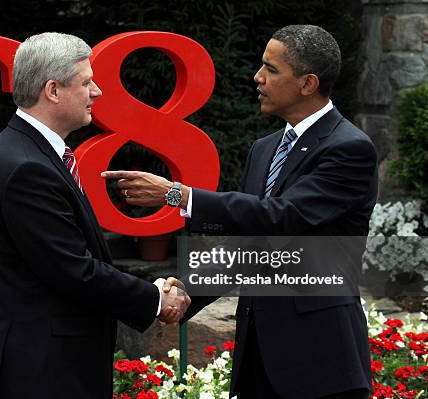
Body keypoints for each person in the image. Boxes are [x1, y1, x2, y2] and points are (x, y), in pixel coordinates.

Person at [102, 25, 377, 399]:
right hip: (259, 360)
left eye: (271, 69)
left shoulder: (349, 148)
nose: (257, 77)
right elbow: (252, 244)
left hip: (321, 362)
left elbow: (281, 217)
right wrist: (184, 291)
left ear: (308, 83)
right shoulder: (264, 149)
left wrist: (177, 195)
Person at [0, 32, 190, 399]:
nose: (97, 91)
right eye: (86, 82)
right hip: (38, 375)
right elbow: (74, 270)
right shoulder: (26, 168)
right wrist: (153, 297)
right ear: (52, 91)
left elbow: (75, 260)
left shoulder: (31, 153)